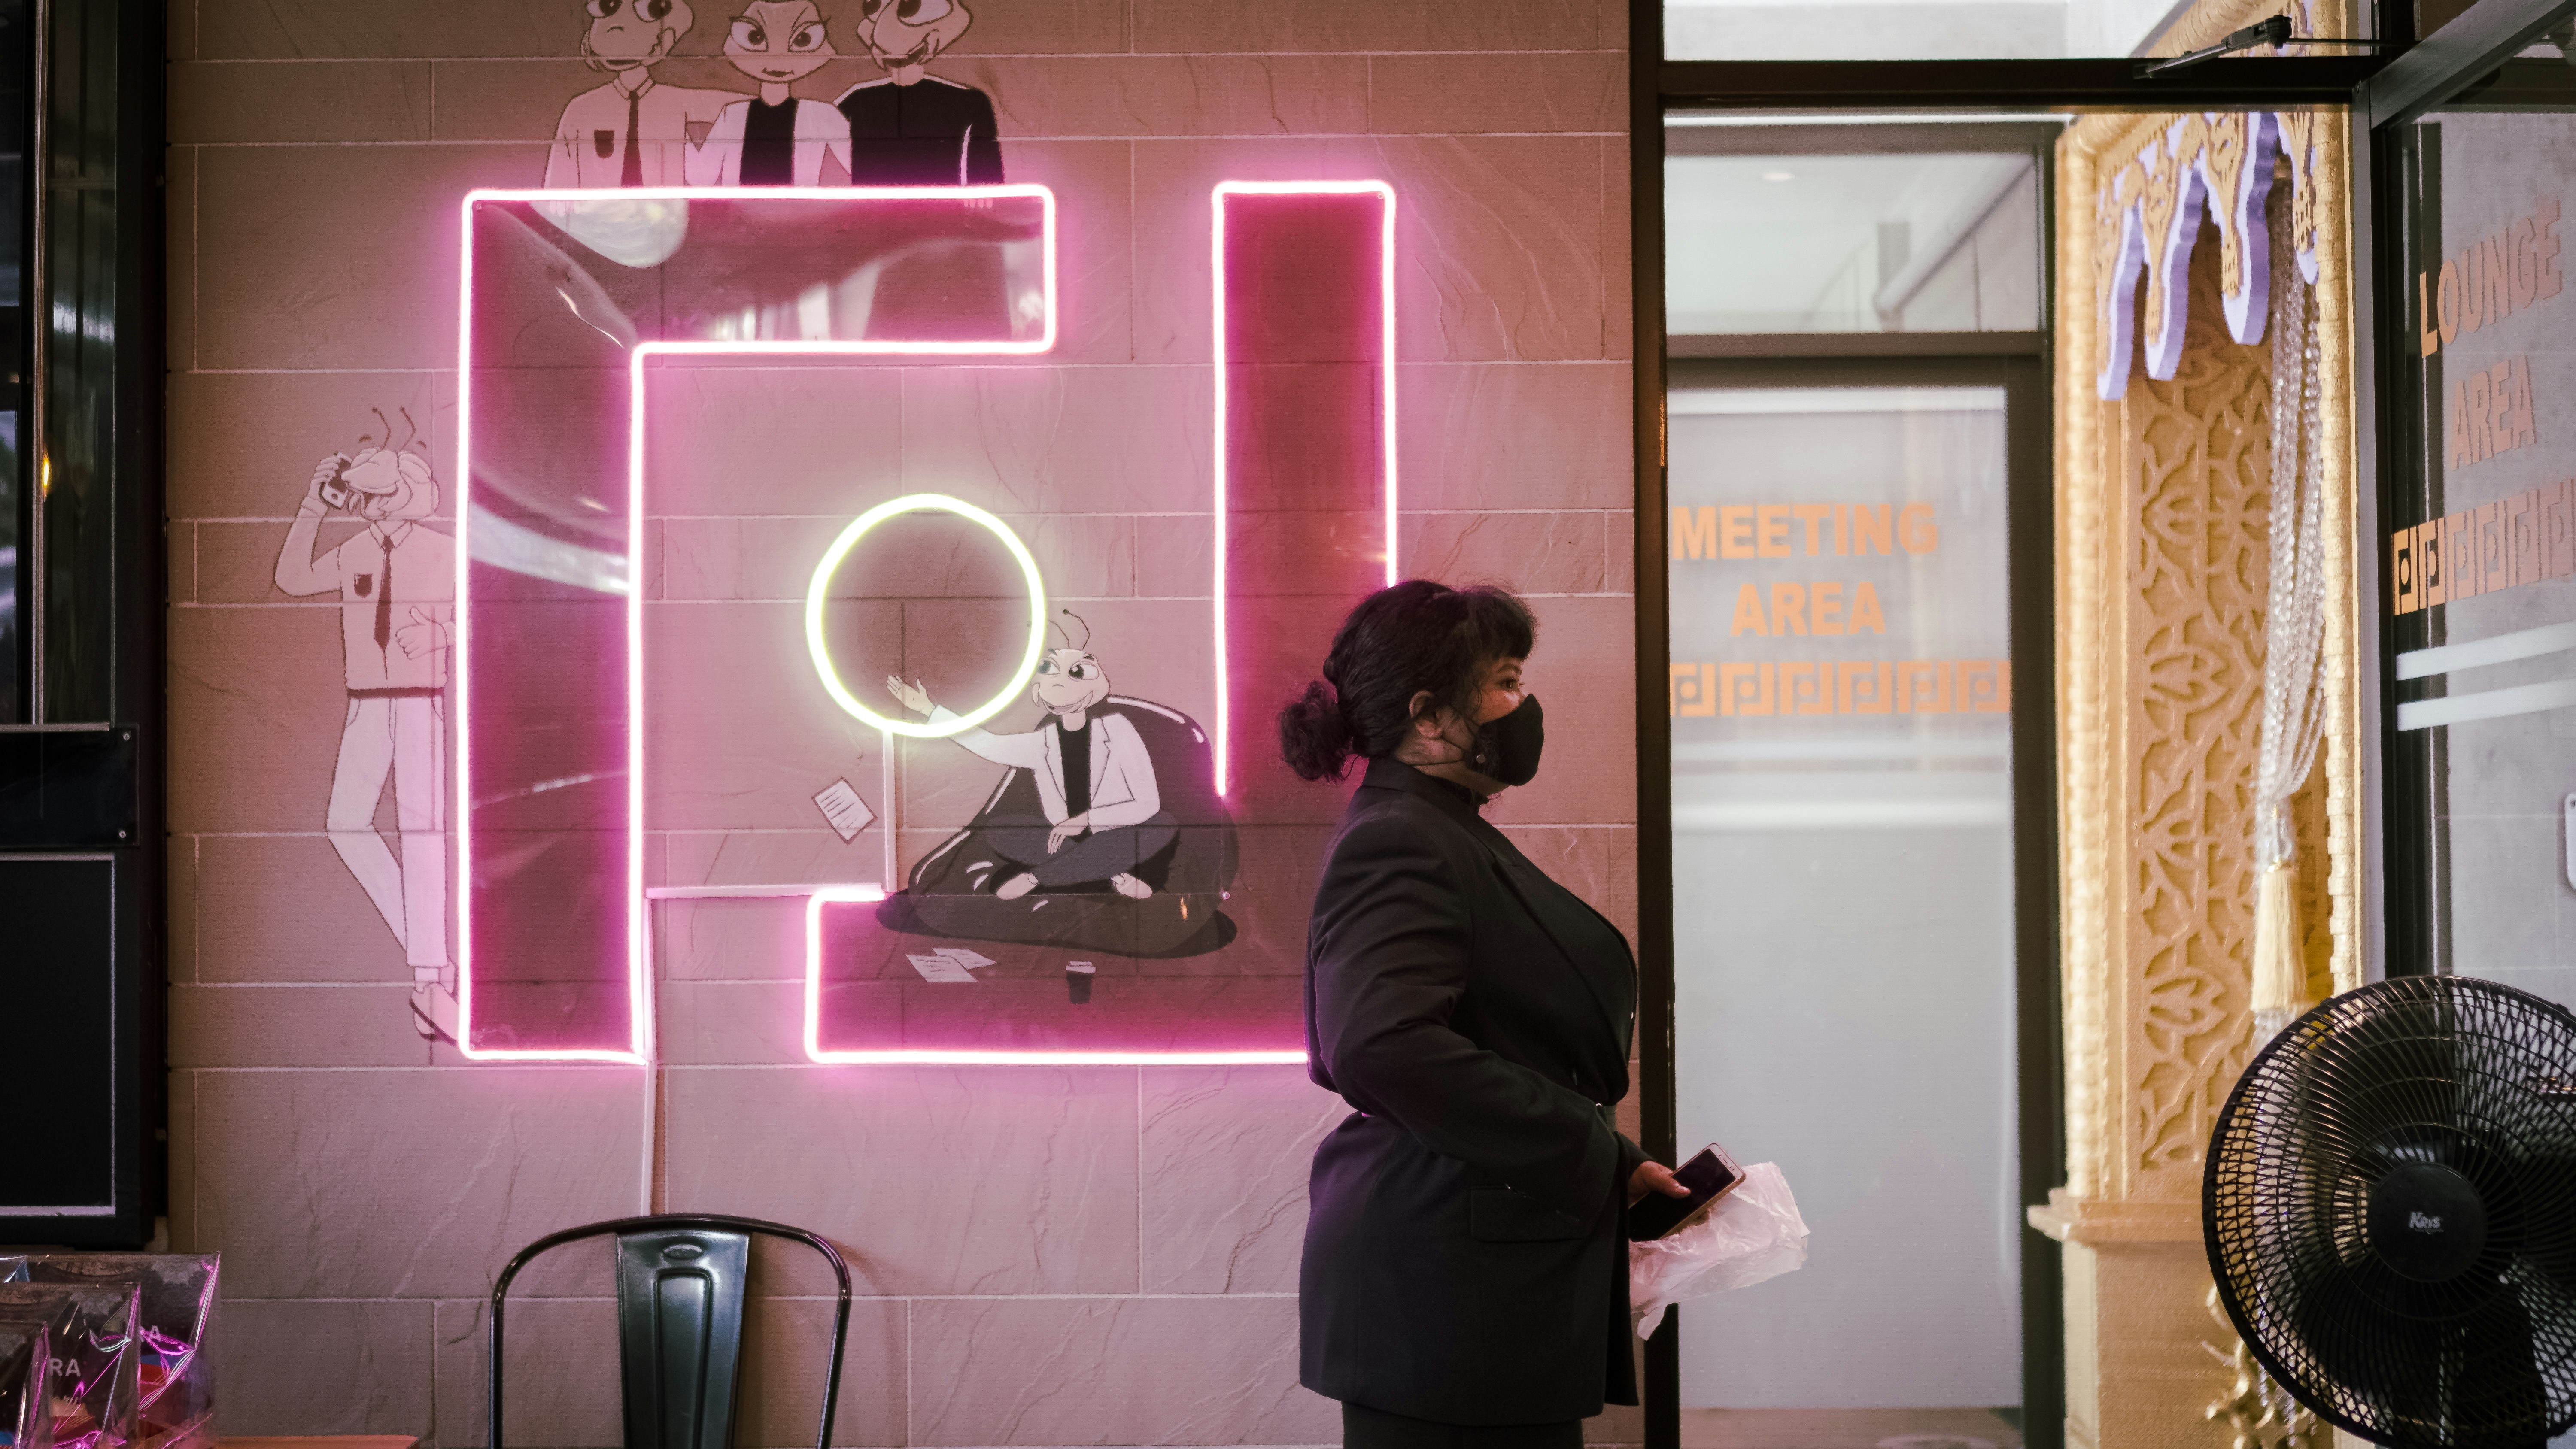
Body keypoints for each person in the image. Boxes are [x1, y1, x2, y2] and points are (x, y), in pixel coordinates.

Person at [1278, 580, 1687, 1449]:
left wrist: (1614, 1160)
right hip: (1443, 1299)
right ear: (1430, 715)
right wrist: (1589, 1153)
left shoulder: (1441, 825)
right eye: (1505, 680)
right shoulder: (1404, 836)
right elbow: (1383, 1042)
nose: (1523, 703)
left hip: (1470, 1295)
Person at [271, 427, 457, 1045]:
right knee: (345, 823)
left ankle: (431, 979)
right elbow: (294, 576)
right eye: (362, 494)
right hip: (366, 706)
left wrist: (447, 640)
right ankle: (430, 945)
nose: (368, 504)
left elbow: (496, 618)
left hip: (418, 702)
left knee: (422, 830)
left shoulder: (443, 551)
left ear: (402, 495)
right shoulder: (353, 551)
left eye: (376, 493)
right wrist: (312, 507)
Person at [885, 614, 1173, 901]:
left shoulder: (1118, 730)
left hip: (1116, 835)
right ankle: (1115, 874)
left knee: (1162, 825)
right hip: (1067, 843)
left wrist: (1085, 819)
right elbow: (988, 744)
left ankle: (1038, 878)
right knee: (1001, 830)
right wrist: (929, 710)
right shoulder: (1042, 743)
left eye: (1075, 675)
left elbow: (1148, 803)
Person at [544, 0, 731, 188]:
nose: (618, 29)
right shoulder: (581, 109)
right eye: (607, 7)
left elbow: (738, 104)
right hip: (600, 215)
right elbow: (558, 182)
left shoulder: (679, 102)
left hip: (664, 213)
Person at [686, 0, 856, 187]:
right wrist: (676, 124)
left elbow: (859, 165)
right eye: (755, 37)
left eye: (803, 40)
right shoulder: (732, 114)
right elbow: (700, 176)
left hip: (797, 211)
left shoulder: (821, 113)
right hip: (739, 211)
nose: (778, 56)